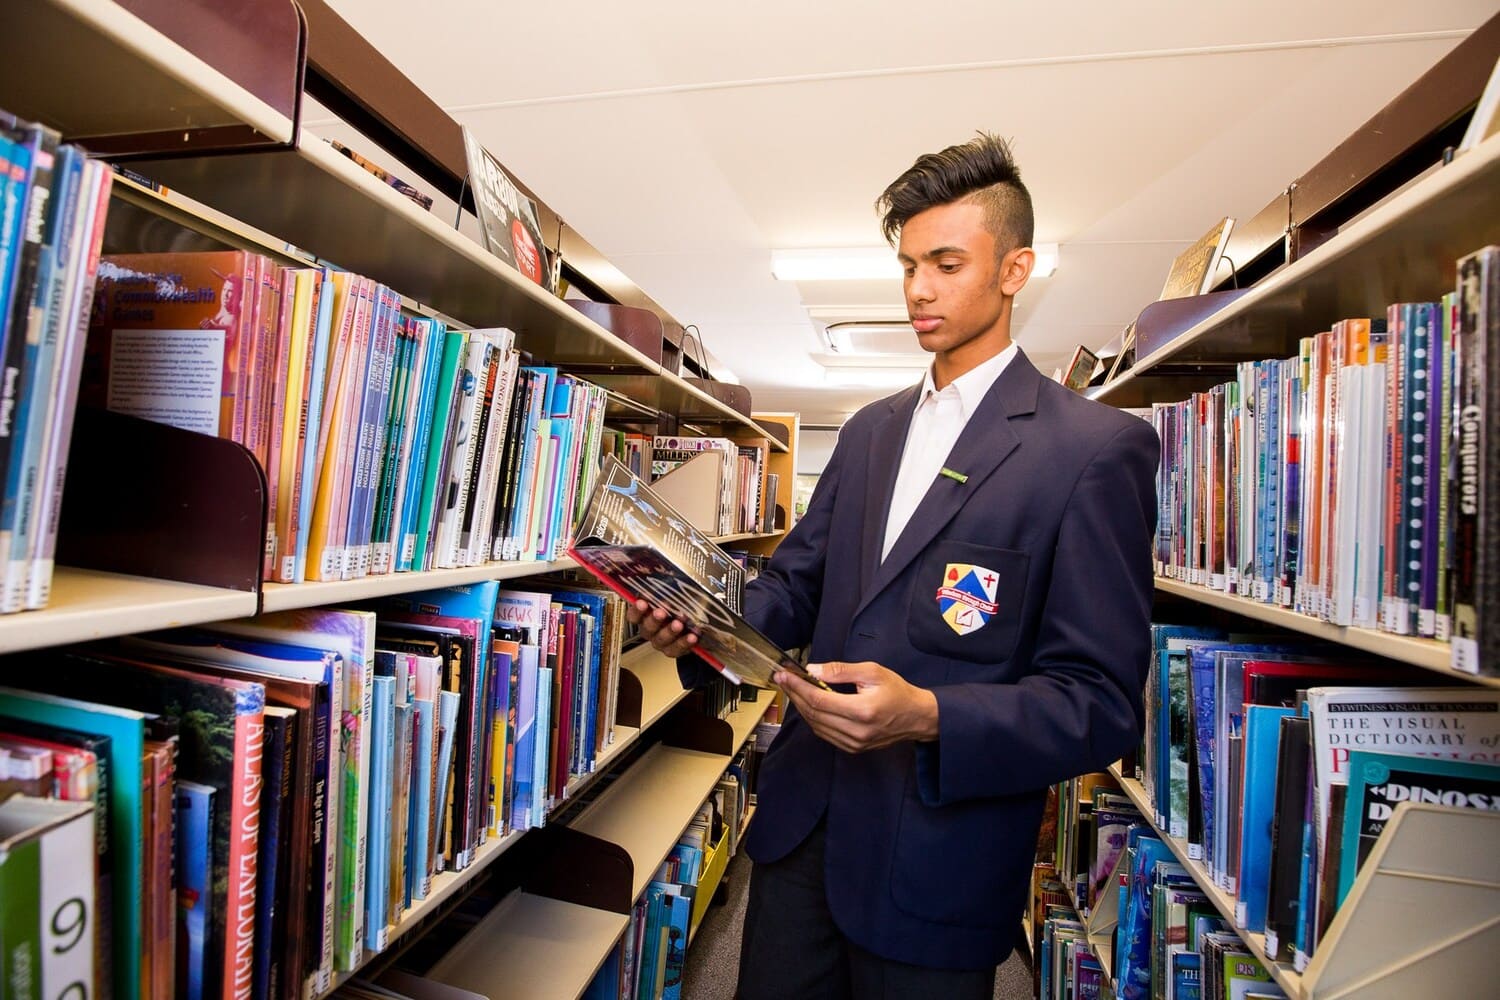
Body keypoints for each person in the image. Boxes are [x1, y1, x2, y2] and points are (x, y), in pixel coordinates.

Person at [630, 132, 1159, 999]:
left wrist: (929, 715)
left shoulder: (1094, 451)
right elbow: (793, 587)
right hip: (801, 834)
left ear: (1015, 269)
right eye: (909, 264)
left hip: (939, 865)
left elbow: (1098, 703)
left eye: (947, 263)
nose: (918, 289)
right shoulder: (871, 431)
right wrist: (701, 623)